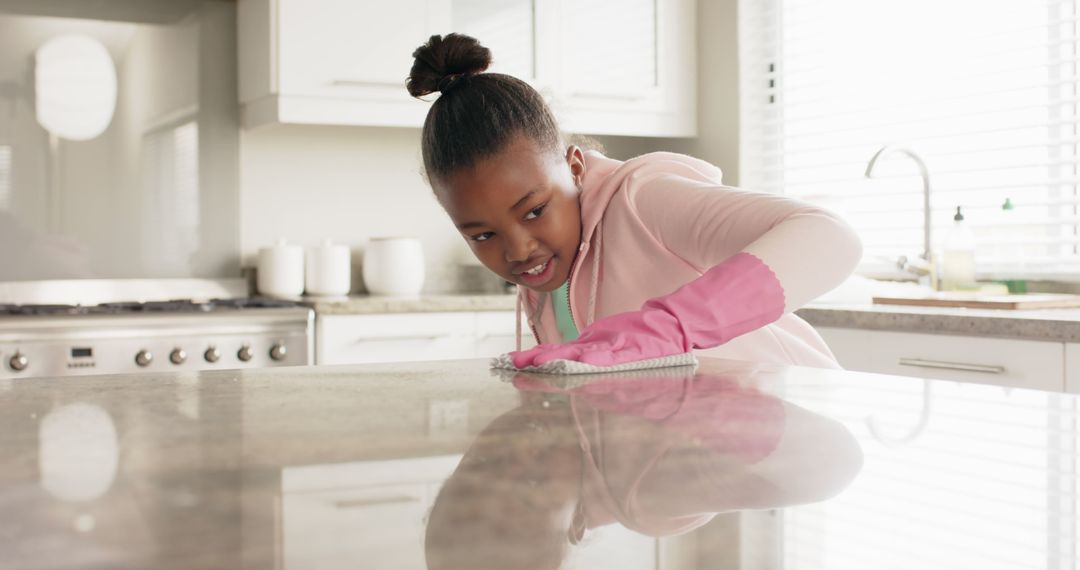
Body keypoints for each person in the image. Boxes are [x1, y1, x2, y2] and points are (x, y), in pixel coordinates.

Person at [406, 34, 862, 370]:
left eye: (534, 211)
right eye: (483, 234)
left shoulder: (643, 202)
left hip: (800, 440)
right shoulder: (544, 287)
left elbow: (830, 236)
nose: (519, 250)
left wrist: (667, 328)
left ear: (575, 167)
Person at [425, 364, 863, 570]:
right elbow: (834, 461)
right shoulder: (641, 491)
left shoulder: (553, 409)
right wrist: (677, 402)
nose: (516, 453)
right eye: (532, 484)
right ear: (574, 522)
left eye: (484, 463)